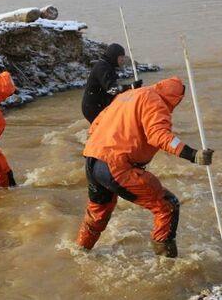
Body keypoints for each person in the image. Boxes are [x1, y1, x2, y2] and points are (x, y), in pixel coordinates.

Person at [75, 76, 214, 257]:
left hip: (93, 160)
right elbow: (159, 135)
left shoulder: (128, 95)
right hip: (116, 166)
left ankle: (80, 251)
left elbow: (95, 125)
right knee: (167, 206)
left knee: (97, 214)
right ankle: (167, 264)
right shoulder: (157, 102)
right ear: (175, 97)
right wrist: (192, 154)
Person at [81, 43, 143, 123]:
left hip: (100, 105)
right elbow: (112, 89)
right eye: (121, 58)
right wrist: (130, 87)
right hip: (93, 108)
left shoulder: (108, 66)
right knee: (105, 131)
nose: (123, 61)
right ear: (114, 57)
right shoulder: (102, 68)